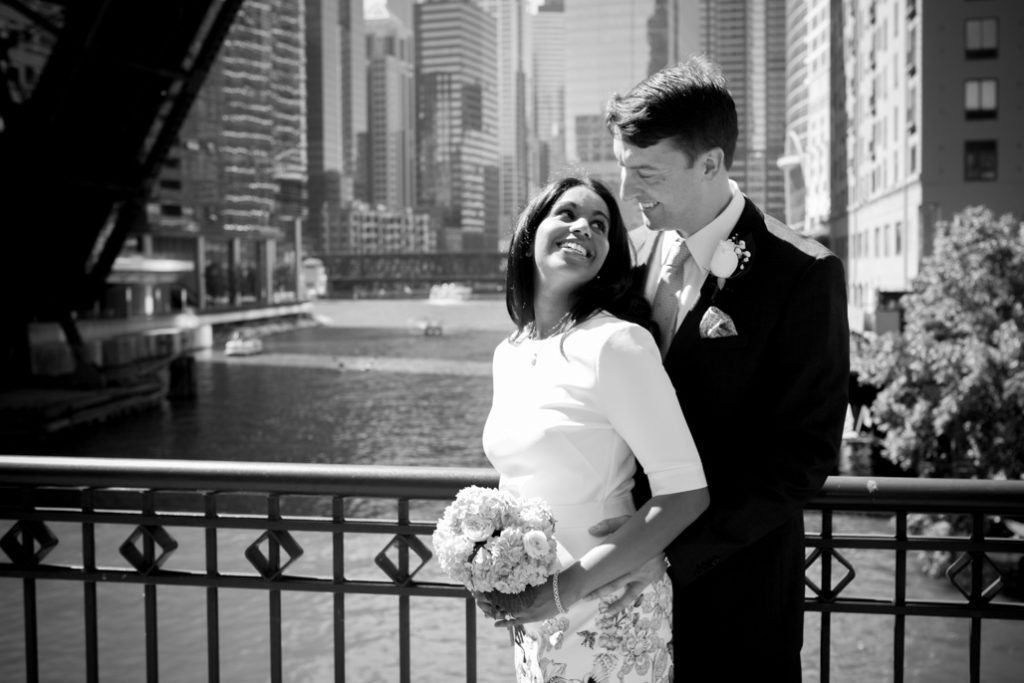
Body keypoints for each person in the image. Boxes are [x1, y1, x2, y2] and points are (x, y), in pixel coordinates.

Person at [587, 54, 850, 681]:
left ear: (711, 164)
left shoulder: (803, 274)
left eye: (646, 173)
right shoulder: (633, 253)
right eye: (625, 171)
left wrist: (666, 553)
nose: (628, 193)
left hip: (739, 605)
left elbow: (803, 458)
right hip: (615, 603)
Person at [480, 175, 710, 682]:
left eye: (600, 224)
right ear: (529, 231)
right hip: (534, 608)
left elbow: (686, 494)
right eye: (566, 214)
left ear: (608, 253)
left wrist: (562, 591)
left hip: (607, 601)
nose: (583, 227)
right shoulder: (509, 352)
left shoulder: (617, 342)